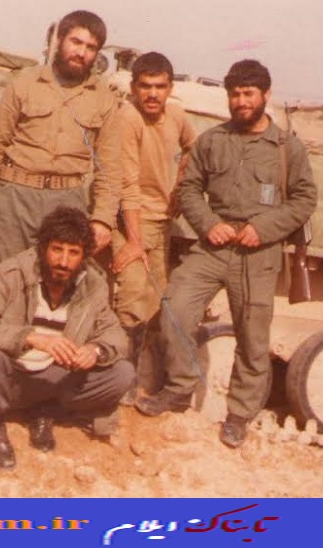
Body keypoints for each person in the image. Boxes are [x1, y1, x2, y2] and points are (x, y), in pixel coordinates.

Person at [134, 59, 317, 449]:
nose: (241, 101)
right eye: (235, 94)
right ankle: (179, 388)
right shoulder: (212, 141)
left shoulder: (287, 148)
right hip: (213, 246)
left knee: (252, 336)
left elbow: (304, 200)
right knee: (174, 308)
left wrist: (264, 228)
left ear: (266, 95)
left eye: (249, 93)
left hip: (258, 252)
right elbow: (188, 189)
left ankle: (238, 415)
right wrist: (208, 223)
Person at [0, 206, 134, 470]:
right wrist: (29, 337)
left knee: (122, 373)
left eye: (73, 253)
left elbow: (116, 336)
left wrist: (95, 349)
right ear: (43, 248)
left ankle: (44, 411)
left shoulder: (93, 283)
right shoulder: (10, 274)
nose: (63, 261)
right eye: (57, 249)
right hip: (10, 376)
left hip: (54, 377)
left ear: (84, 255)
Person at [0, 10, 121, 267]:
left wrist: (103, 219)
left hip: (67, 201)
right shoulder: (25, 82)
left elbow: (109, 166)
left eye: (90, 47)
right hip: (16, 198)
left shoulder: (104, 98)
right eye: (76, 42)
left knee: (58, 276)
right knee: (7, 272)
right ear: (59, 40)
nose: (81, 52)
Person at [111, 52, 196, 403]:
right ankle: (121, 383)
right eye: (145, 86)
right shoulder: (127, 117)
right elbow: (127, 185)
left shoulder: (176, 115)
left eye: (160, 87)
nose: (152, 94)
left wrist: (181, 185)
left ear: (170, 88)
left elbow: (194, 148)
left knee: (156, 301)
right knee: (131, 298)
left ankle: (145, 378)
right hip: (131, 219)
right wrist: (134, 240)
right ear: (134, 87)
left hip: (162, 222)